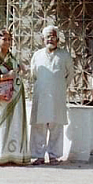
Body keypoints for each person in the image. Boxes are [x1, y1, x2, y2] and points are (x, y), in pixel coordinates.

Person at [0, 28, 30, 166]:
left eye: (9, 39)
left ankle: (12, 154)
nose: (7, 42)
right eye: (4, 39)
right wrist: (5, 76)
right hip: (1, 98)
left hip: (14, 99)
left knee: (14, 125)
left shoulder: (12, 56)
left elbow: (17, 70)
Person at [29, 25, 74, 165]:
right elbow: (33, 75)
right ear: (43, 39)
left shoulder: (64, 55)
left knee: (56, 126)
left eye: (53, 36)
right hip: (41, 96)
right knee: (39, 126)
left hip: (57, 96)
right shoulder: (37, 55)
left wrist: (58, 86)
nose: (50, 39)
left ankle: (54, 156)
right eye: (48, 36)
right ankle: (38, 156)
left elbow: (70, 75)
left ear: (58, 39)